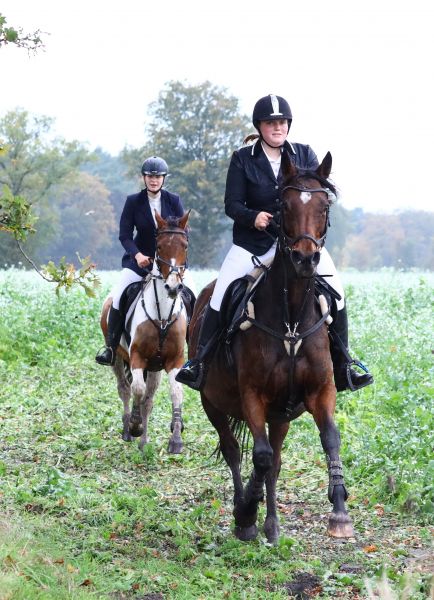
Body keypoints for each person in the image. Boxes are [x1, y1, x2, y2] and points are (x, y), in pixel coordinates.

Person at [176, 94, 373, 392]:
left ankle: (345, 365)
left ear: (288, 125)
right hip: (253, 245)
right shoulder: (243, 158)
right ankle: (199, 363)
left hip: (299, 245)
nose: (277, 127)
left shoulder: (304, 154)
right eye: (271, 123)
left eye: (282, 122)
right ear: (260, 126)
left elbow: (315, 197)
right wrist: (253, 216)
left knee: (338, 292)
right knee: (221, 292)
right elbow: (232, 204)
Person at [95, 156, 195, 366]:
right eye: (150, 176)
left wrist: (178, 264)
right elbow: (124, 235)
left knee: (192, 295)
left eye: (158, 177)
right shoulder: (133, 201)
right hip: (140, 262)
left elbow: (183, 232)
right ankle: (111, 348)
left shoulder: (173, 200)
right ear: (144, 178)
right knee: (118, 296)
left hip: (169, 265)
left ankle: (194, 354)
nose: (154, 180)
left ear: (163, 179)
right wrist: (137, 255)